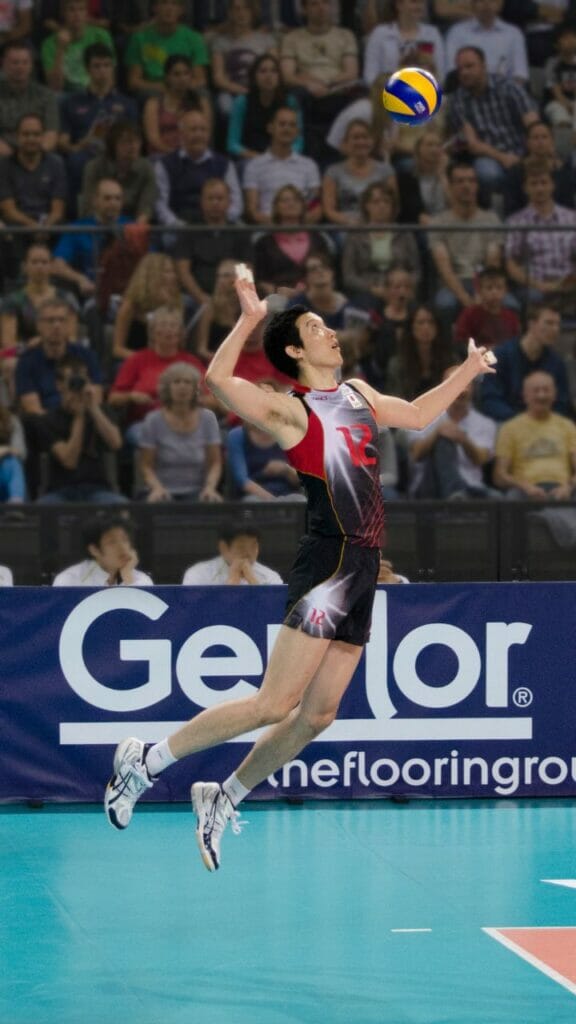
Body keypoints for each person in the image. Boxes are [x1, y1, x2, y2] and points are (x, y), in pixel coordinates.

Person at [103, 264, 496, 869]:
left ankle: (224, 794)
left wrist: (466, 372)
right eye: (316, 328)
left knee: (318, 714)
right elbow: (216, 379)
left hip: (362, 564)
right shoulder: (292, 411)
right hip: (330, 560)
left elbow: (417, 415)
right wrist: (250, 319)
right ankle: (146, 761)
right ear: (294, 350)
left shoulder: (360, 393)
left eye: (327, 324)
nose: (330, 332)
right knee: (272, 703)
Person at [446, 46, 538, 202]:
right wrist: (503, 158)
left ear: (484, 66)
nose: (464, 73)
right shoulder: (458, 100)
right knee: (486, 173)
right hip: (490, 157)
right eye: (460, 68)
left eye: (469, 66)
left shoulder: (509, 87)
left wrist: (531, 156)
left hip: (523, 151)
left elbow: (533, 124)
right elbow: (473, 144)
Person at [35, 355, 126, 504]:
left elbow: (116, 443)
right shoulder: (47, 420)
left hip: (98, 489)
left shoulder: (103, 411)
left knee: (123, 509)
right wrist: (79, 417)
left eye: (82, 380)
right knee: (42, 511)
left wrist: (93, 408)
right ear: (59, 384)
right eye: (72, 381)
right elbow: (69, 460)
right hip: (60, 490)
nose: (77, 385)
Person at [58, 42, 137, 201]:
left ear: (113, 68)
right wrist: (82, 144)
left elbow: (135, 140)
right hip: (85, 154)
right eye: (97, 66)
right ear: (87, 69)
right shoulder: (71, 102)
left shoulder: (128, 104)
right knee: (75, 161)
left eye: (107, 65)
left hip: (118, 155)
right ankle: (78, 214)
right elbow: (62, 143)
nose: (102, 71)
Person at [108, 306, 205, 431]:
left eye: (173, 325)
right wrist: (131, 396)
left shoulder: (192, 362)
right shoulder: (137, 359)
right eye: (163, 325)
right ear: (153, 333)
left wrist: (192, 400)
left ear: (181, 333)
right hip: (145, 422)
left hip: (186, 423)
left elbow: (213, 400)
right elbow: (113, 398)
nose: (168, 330)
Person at [137, 362, 223, 502]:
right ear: (167, 388)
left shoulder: (208, 418)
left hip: (197, 491)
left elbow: (215, 463)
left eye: (187, 382)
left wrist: (210, 488)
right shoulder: (153, 420)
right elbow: (146, 465)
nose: (182, 386)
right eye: (176, 382)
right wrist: (157, 488)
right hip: (162, 491)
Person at [428, 159, 502, 320]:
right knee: (444, 305)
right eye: (460, 181)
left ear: (477, 185)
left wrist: (483, 294)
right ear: (451, 186)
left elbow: (492, 262)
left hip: (484, 282)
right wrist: (467, 300)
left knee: (511, 305)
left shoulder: (491, 220)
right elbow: (444, 269)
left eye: (471, 180)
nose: (466, 186)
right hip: (454, 283)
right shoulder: (437, 222)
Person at [408, 366, 497, 499]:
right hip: (429, 487)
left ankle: (456, 496)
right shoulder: (422, 415)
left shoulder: (485, 423)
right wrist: (437, 433)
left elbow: (481, 459)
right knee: (443, 440)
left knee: (500, 500)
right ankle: (455, 494)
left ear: (473, 388)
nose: (460, 390)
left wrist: (463, 440)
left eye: (465, 383)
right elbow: (416, 455)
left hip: (471, 488)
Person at [478, 304, 572, 422]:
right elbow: (490, 398)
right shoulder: (501, 355)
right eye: (549, 323)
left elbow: (561, 402)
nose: (555, 329)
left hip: (544, 424)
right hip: (506, 422)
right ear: (531, 324)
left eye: (558, 324)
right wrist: (521, 421)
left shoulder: (557, 363)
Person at [504, 158, 576, 313]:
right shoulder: (516, 221)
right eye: (534, 184)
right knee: (534, 296)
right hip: (535, 286)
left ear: (552, 185)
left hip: (568, 284)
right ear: (525, 188)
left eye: (544, 183)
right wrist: (538, 285)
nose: (540, 188)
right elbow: (511, 264)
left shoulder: (572, 218)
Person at [494, 370, 576, 500]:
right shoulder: (509, 428)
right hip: (524, 491)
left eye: (546, 390)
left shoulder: (568, 427)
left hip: (563, 491)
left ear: (554, 394)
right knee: (511, 498)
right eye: (536, 390)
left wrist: (568, 487)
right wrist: (525, 487)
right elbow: (499, 475)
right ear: (525, 395)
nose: (541, 395)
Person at [154, 109, 243, 227]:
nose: (199, 134)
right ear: (181, 134)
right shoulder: (164, 165)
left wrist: (221, 222)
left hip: (220, 225)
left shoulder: (225, 164)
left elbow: (236, 203)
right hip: (179, 227)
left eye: (203, 130)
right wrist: (179, 226)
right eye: (193, 129)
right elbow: (160, 205)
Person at [15, 297, 102, 415]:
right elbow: (34, 410)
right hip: (46, 421)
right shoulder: (26, 362)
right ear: (38, 325)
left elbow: (96, 398)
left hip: (84, 416)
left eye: (62, 320)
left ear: (70, 325)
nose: (56, 325)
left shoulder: (87, 355)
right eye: (50, 320)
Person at [341, 181, 420, 309]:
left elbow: (416, 271)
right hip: (368, 291)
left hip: (400, 289)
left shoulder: (405, 234)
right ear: (367, 206)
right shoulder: (355, 236)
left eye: (386, 201)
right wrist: (373, 289)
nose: (382, 205)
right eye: (376, 202)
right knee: (366, 305)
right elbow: (349, 276)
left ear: (392, 206)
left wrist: (404, 286)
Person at [173, 178, 250, 307]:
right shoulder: (189, 230)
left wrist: (231, 298)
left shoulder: (240, 232)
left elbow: (247, 269)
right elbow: (183, 272)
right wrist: (203, 299)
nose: (215, 203)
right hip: (195, 297)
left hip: (233, 296)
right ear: (202, 202)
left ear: (229, 202)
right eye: (210, 198)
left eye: (220, 198)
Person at [243, 106, 321, 225]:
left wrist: (294, 225)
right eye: (282, 124)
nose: (287, 129)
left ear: (297, 131)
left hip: (301, 227)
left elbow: (316, 207)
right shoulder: (254, 166)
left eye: (292, 125)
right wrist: (279, 226)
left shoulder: (309, 165)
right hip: (267, 228)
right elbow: (252, 210)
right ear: (270, 128)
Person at [252, 185, 334, 296]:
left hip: (314, 295)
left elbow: (328, 272)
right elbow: (260, 280)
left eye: (296, 200)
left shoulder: (318, 240)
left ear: (302, 206)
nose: (291, 204)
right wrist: (280, 291)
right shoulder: (264, 243)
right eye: (285, 200)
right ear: (276, 207)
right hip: (277, 297)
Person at [0, 114, 67, 249]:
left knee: (68, 232)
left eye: (36, 134)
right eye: (26, 134)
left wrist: (44, 228)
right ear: (17, 137)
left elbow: (57, 210)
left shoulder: (56, 164)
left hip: (49, 226)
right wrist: (33, 227)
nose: (31, 139)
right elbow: (9, 210)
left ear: (43, 137)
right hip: (17, 227)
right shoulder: (4, 166)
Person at [0, 242, 79, 348]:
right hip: (24, 354)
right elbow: (8, 343)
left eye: (44, 262)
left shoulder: (67, 298)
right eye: (34, 262)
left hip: (59, 352)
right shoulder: (12, 300)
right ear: (24, 267)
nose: (39, 266)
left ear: (51, 266)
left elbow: (71, 338)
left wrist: (44, 341)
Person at [226, 53, 302, 161]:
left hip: (283, 158)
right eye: (263, 71)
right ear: (254, 77)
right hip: (251, 158)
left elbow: (298, 142)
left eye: (273, 71)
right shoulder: (242, 102)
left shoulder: (290, 102)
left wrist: (280, 157)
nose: (269, 75)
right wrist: (261, 159)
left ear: (279, 76)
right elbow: (232, 144)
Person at [321, 119, 396, 227]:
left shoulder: (386, 170)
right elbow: (329, 210)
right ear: (346, 142)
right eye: (356, 138)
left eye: (365, 137)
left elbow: (393, 205)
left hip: (378, 224)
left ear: (372, 141)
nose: (361, 142)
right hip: (346, 226)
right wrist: (349, 222)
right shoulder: (333, 171)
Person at [124, 0, 209, 97]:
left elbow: (200, 80)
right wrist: (162, 88)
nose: (169, 8)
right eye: (164, 3)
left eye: (174, 4)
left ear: (181, 10)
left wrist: (178, 88)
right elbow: (133, 82)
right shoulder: (139, 39)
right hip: (154, 90)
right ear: (154, 8)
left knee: (203, 94)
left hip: (184, 88)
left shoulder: (194, 38)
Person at [79, 119, 157, 223]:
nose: (133, 146)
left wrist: (136, 229)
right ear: (113, 145)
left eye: (137, 141)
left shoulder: (146, 167)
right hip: (98, 224)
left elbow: (146, 207)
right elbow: (89, 206)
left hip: (132, 226)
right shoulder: (94, 167)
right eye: (126, 142)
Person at [111, 253, 184, 361]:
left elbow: (179, 344)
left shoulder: (175, 302)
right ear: (152, 274)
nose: (173, 276)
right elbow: (117, 349)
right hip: (134, 360)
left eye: (173, 271)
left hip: (166, 359)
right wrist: (146, 360)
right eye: (167, 272)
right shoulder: (130, 305)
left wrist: (169, 305)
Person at [210, 0, 277, 116]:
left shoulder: (267, 40)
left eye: (246, 8)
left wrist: (258, 90)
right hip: (231, 90)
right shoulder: (220, 42)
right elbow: (218, 78)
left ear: (253, 12)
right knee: (227, 109)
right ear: (230, 13)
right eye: (237, 9)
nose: (241, 13)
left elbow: (275, 70)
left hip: (261, 89)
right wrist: (243, 91)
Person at [52, 513, 153, 585]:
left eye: (125, 540)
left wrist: (127, 578)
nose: (122, 547)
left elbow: (146, 613)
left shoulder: (141, 580)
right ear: (94, 550)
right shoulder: (70, 580)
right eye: (112, 542)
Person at [143, 54, 211, 158]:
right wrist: (176, 156)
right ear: (167, 77)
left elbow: (206, 134)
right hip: (163, 155)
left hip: (193, 155)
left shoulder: (201, 102)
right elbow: (153, 139)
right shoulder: (153, 104)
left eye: (186, 73)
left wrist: (188, 154)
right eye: (176, 74)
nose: (182, 78)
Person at [363, 0, 446, 85]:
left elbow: (440, 75)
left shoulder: (432, 34)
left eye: (422, 2)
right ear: (399, 5)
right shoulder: (380, 34)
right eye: (414, 2)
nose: (419, 7)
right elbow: (370, 76)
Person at [41, 0, 115, 93]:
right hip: (67, 95)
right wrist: (60, 49)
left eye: (81, 9)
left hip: (96, 92)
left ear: (86, 13)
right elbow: (55, 86)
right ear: (63, 13)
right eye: (71, 10)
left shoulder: (101, 36)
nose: (77, 14)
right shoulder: (49, 44)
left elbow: (110, 80)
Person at [445, 0, 528, 82]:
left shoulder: (514, 34)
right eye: (481, 1)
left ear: (500, 4)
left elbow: (520, 75)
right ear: (473, 4)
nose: (487, 4)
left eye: (492, 1)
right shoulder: (456, 32)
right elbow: (452, 72)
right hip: (466, 89)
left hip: (505, 91)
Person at [0, 42, 59, 156]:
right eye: (15, 62)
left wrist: (36, 155)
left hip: (37, 152)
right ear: (3, 64)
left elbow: (51, 133)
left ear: (31, 65)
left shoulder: (46, 95)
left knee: (56, 161)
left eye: (25, 62)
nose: (20, 67)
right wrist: (13, 158)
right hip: (4, 153)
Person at [182, 524, 283, 584]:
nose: (248, 553)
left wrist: (252, 580)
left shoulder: (270, 576)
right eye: (241, 547)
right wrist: (232, 581)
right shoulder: (198, 573)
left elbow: (276, 612)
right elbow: (191, 611)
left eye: (253, 546)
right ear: (223, 547)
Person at [454, 266, 520, 354]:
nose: (494, 292)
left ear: (505, 291)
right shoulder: (470, 314)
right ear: (480, 291)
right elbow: (461, 342)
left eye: (499, 288)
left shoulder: (511, 317)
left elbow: (515, 343)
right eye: (489, 288)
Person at [543, 22, 576, 127]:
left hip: (574, 102)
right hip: (555, 102)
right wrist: (567, 105)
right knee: (562, 119)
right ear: (556, 44)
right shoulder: (551, 63)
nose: (570, 41)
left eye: (572, 37)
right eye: (565, 38)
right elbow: (555, 90)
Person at [0, 401, 27, 502]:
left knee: (12, 463)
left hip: (4, 469)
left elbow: (20, 452)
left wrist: (5, 450)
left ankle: (15, 506)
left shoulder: (10, 420)